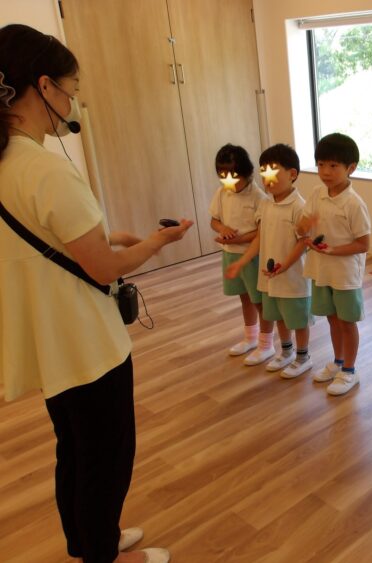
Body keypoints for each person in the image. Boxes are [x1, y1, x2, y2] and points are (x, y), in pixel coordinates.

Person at [0, 24, 192, 563]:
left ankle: (89, 542)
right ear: (43, 85)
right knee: (106, 458)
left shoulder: (7, 163)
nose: (72, 101)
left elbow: (46, 242)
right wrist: (157, 241)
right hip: (86, 344)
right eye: (71, 88)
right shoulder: (44, 169)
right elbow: (105, 269)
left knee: (75, 450)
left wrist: (112, 236)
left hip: (48, 340)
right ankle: (101, 552)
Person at [226, 143, 312, 378]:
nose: (266, 178)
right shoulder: (265, 203)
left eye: (273, 172)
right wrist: (242, 261)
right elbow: (260, 238)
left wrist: (285, 265)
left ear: (292, 174)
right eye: (263, 172)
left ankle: (303, 357)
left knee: (298, 319)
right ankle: (287, 352)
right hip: (270, 276)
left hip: (293, 278)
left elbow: (303, 242)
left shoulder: (299, 206)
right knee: (278, 316)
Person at [296, 133, 371, 396]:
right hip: (321, 271)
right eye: (321, 165)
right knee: (332, 319)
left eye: (333, 165)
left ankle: (350, 370)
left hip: (345, 275)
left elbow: (363, 244)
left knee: (347, 322)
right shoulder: (317, 194)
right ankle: (338, 362)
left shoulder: (354, 203)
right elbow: (302, 227)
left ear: (351, 168)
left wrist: (334, 250)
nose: (325, 172)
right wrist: (303, 228)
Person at [209, 144, 275, 366]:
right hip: (231, 254)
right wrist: (223, 229)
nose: (227, 181)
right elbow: (214, 220)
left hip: (253, 256)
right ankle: (251, 338)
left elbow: (262, 232)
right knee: (244, 298)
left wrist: (237, 239)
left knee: (260, 301)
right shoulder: (222, 193)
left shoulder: (258, 197)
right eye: (222, 176)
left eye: (233, 176)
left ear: (247, 173)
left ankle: (266, 344)